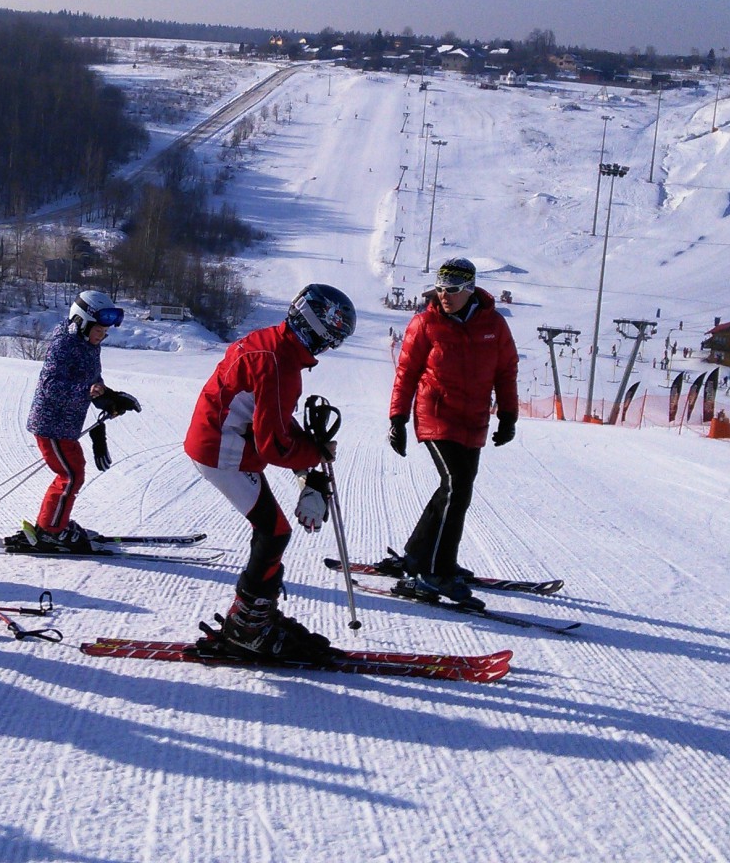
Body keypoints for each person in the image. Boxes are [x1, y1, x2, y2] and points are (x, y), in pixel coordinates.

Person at [185, 283, 355, 660]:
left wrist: (310, 465)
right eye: (333, 338)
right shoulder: (280, 364)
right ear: (318, 328)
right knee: (273, 532)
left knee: (271, 530)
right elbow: (273, 445)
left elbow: (273, 419)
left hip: (219, 438)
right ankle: (248, 628)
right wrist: (313, 456)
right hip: (221, 448)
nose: (329, 348)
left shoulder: (275, 346)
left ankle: (253, 618)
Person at [384, 258, 519, 607]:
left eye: (453, 289)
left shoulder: (494, 325)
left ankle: (419, 554)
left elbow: (506, 371)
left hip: (473, 419)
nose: (445, 295)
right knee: (456, 484)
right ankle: (433, 573)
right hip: (436, 414)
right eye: (441, 288)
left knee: (457, 490)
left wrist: (508, 415)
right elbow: (406, 372)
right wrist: (397, 418)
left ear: (470, 289)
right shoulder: (425, 323)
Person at [13, 290, 139, 553]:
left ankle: (54, 523)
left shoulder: (90, 346)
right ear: (81, 321)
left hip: (66, 424)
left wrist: (110, 399)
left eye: (105, 331)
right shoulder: (64, 344)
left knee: (74, 470)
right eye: (98, 330)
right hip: (51, 424)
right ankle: (51, 530)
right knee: (69, 475)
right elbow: (49, 385)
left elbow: (94, 380)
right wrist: (86, 391)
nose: (101, 335)